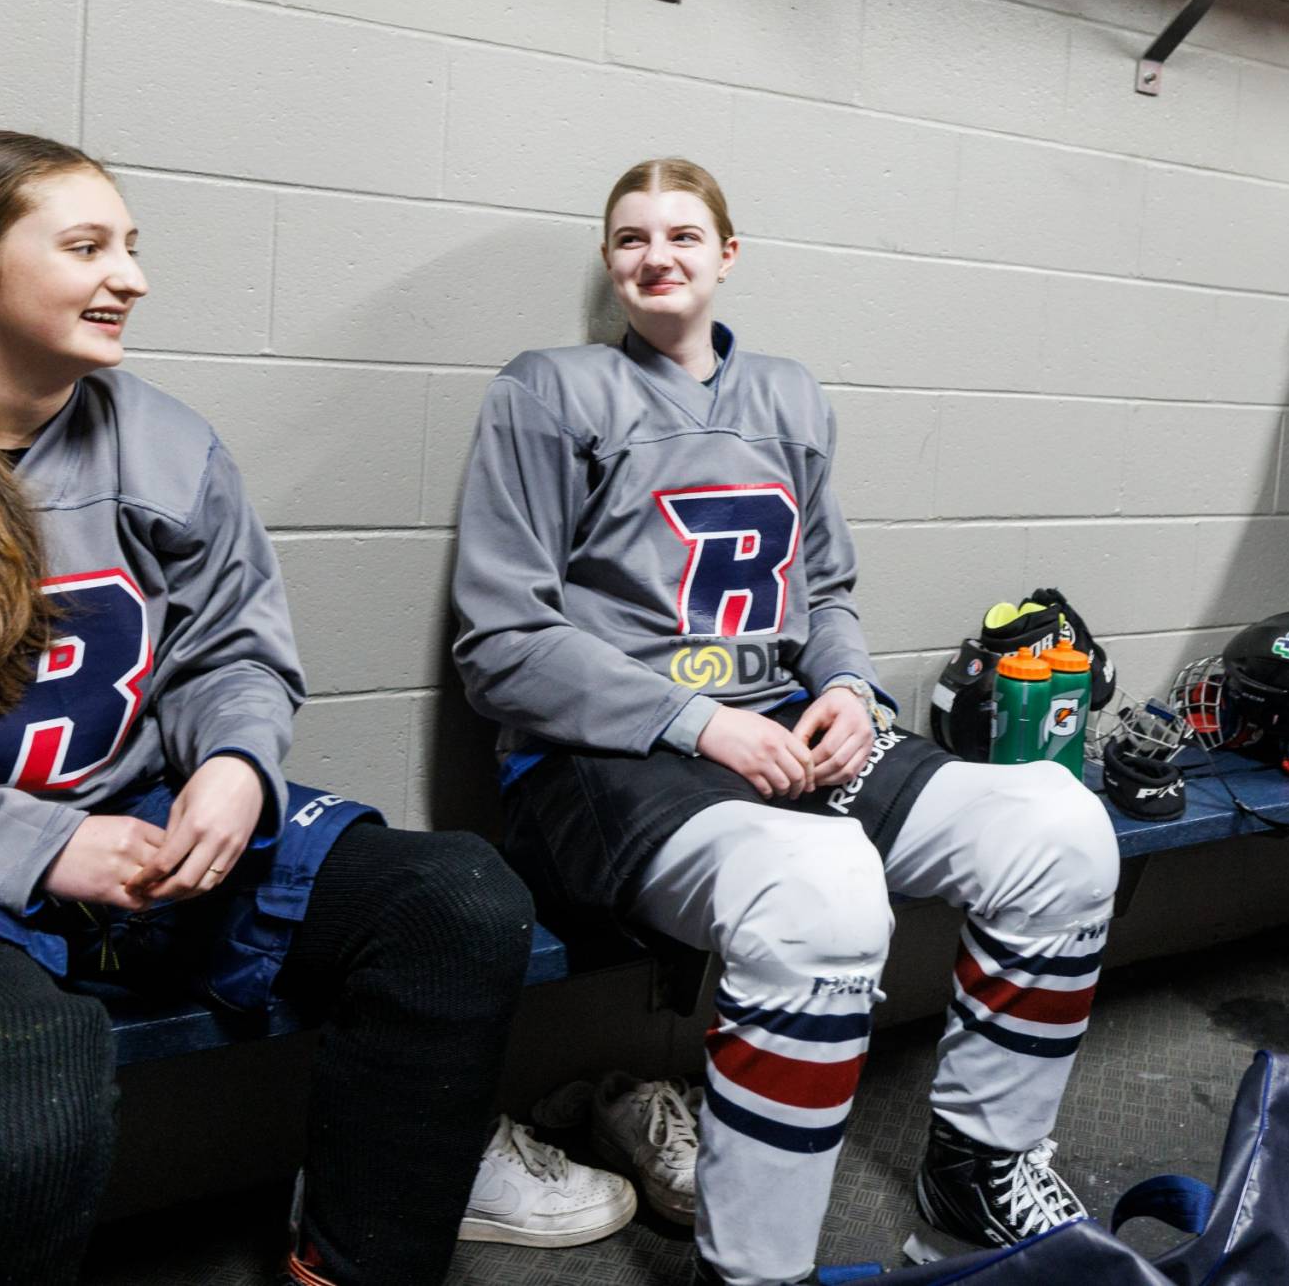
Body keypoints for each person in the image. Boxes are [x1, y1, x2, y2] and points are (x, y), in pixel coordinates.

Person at [0, 130, 631, 1286]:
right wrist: (46, 841)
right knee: (3, 1088)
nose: (132, 275)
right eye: (85, 246)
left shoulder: (164, 443)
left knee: (455, 904)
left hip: (126, 826)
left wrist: (234, 764)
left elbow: (235, 652)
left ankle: (352, 1265)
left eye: (130, 244)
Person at [451, 158, 1122, 1286]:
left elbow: (825, 598)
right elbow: (500, 646)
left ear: (727, 253)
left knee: (1056, 827)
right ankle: (754, 1272)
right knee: (824, 896)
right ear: (607, 261)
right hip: (602, 760)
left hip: (780, 728)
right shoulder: (546, 391)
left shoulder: (788, 395)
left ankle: (980, 1166)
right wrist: (696, 724)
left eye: (678, 233)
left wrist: (850, 692)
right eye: (627, 238)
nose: (652, 256)